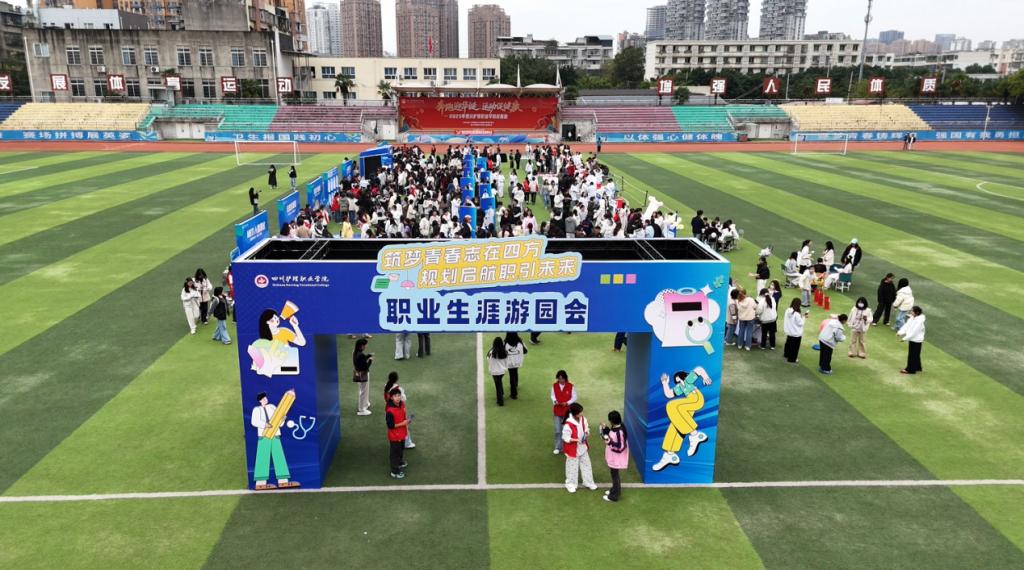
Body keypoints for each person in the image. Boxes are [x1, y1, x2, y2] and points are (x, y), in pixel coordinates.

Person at [652, 367, 713, 471]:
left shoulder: (688, 380)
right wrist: (665, 383)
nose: (679, 382)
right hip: (687, 405)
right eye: (677, 381)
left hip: (696, 399)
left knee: (671, 406)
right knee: (676, 425)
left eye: (679, 379)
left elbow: (699, 369)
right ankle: (669, 455)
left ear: (683, 377)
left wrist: (705, 377)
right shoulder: (679, 387)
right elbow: (669, 394)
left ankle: (695, 434)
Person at [251, 391, 300, 490]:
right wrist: (265, 424)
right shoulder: (257, 409)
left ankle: (283, 481)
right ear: (260, 400)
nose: (265, 399)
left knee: (279, 457)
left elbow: (279, 421)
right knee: (262, 458)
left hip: (275, 435)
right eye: (263, 398)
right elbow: (254, 421)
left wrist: (282, 419)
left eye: (265, 398)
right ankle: (260, 483)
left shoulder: (272, 407)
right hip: (264, 436)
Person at [562, 403, 597, 493]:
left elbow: (587, 429)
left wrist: (586, 433)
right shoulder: (568, 424)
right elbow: (566, 438)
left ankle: (588, 482)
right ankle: (570, 484)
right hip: (572, 450)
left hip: (582, 447)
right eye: (580, 412)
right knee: (572, 468)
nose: (582, 413)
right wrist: (576, 440)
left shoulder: (583, 419)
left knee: (587, 465)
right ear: (575, 414)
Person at [600, 411, 628, 503]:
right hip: (613, 456)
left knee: (615, 475)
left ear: (612, 421)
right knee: (614, 474)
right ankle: (614, 490)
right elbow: (611, 433)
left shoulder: (620, 432)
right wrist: (605, 428)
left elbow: (621, 446)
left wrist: (609, 442)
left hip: (616, 457)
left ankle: (614, 496)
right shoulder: (616, 427)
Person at [385, 387, 412, 479]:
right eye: (396, 396)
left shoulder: (401, 404)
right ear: (392, 397)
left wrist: (407, 420)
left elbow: (402, 416)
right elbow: (390, 426)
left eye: (399, 395)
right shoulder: (390, 411)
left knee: (400, 450)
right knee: (395, 454)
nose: (398, 397)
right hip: (394, 436)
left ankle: (400, 463)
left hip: (402, 434)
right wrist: (403, 423)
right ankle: (394, 471)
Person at [384, 372, 415, 448]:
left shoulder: (386, 386)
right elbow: (403, 399)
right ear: (397, 379)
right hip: (398, 409)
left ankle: (396, 441)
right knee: (404, 425)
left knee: (392, 427)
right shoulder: (399, 389)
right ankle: (407, 443)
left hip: (388, 409)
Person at [551, 370, 577, 454]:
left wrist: (567, 403)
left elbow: (574, 397)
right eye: (559, 378)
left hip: (567, 412)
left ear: (565, 378)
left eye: (562, 378)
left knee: (567, 430)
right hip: (557, 411)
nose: (560, 380)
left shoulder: (570, 386)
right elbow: (552, 395)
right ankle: (558, 447)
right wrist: (555, 401)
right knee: (558, 430)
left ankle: (566, 448)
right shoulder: (554, 386)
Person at [897, 306, 926, 374]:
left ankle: (910, 370)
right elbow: (907, 325)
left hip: (916, 340)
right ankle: (918, 367)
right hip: (912, 338)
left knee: (912, 355)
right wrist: (900, 332)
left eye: (912, 311)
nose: (911, 312)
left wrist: (904, 338)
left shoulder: (919, 321)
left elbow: (914, 331)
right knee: (915, 354)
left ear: (917, 312)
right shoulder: (912, 318)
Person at [353, 338, 374, 416]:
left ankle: (365, 403)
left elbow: (361, 360)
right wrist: (370, 360)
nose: (366, 346)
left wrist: (368, 356)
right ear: (362, 346)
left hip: (358, 373)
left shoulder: (355, 352)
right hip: (363, 374)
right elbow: (365, 367)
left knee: (363, 390)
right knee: (363, 391)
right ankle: (361, 409)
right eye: (365, 345)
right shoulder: (361, 355)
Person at [504, 332, 528, 400]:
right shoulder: (520, 341)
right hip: (517, 362)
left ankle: (513, 394)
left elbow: (502, 352)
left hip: (509, 363)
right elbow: (525, 351)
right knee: (515, 372)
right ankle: (516, 384)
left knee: (512, 376)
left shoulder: (505, 342)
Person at [487, 337, 509, 406]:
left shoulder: (491, 352)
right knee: (499, 382)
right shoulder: (505, 352)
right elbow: (506, 361)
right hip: (502, 371)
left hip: (494, 371)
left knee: (497, 385)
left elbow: (488, 359)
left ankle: (500, 401)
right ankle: (501, 393)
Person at [783, 298, 805, 364]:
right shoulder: (796, 314)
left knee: (788, 343)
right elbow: (801, 323)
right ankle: (792, 359)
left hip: (789, 331)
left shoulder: (788, 310)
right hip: (796, 333)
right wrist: (804, 317)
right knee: (794, 347)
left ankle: (786, 354)